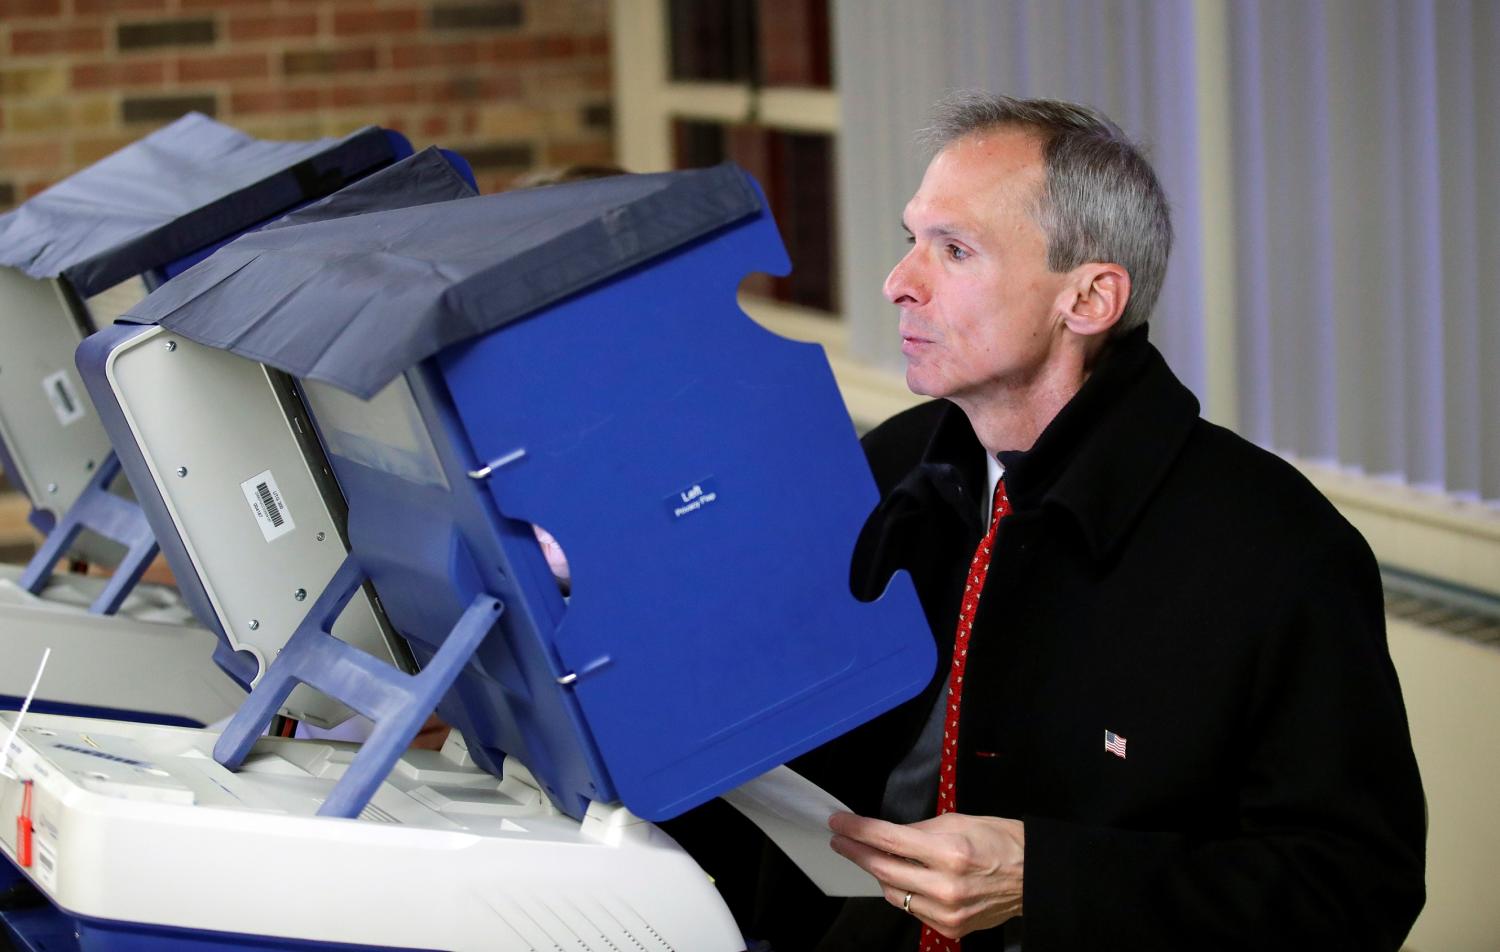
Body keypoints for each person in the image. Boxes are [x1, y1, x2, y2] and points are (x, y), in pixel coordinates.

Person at [734, 93, 1426, 951]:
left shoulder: (1278, 551)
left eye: (954, 250)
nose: (898, 283)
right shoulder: (894, 466)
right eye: (910, 239)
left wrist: (1047, 880)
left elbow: (1355, 891)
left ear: (1090, 299)